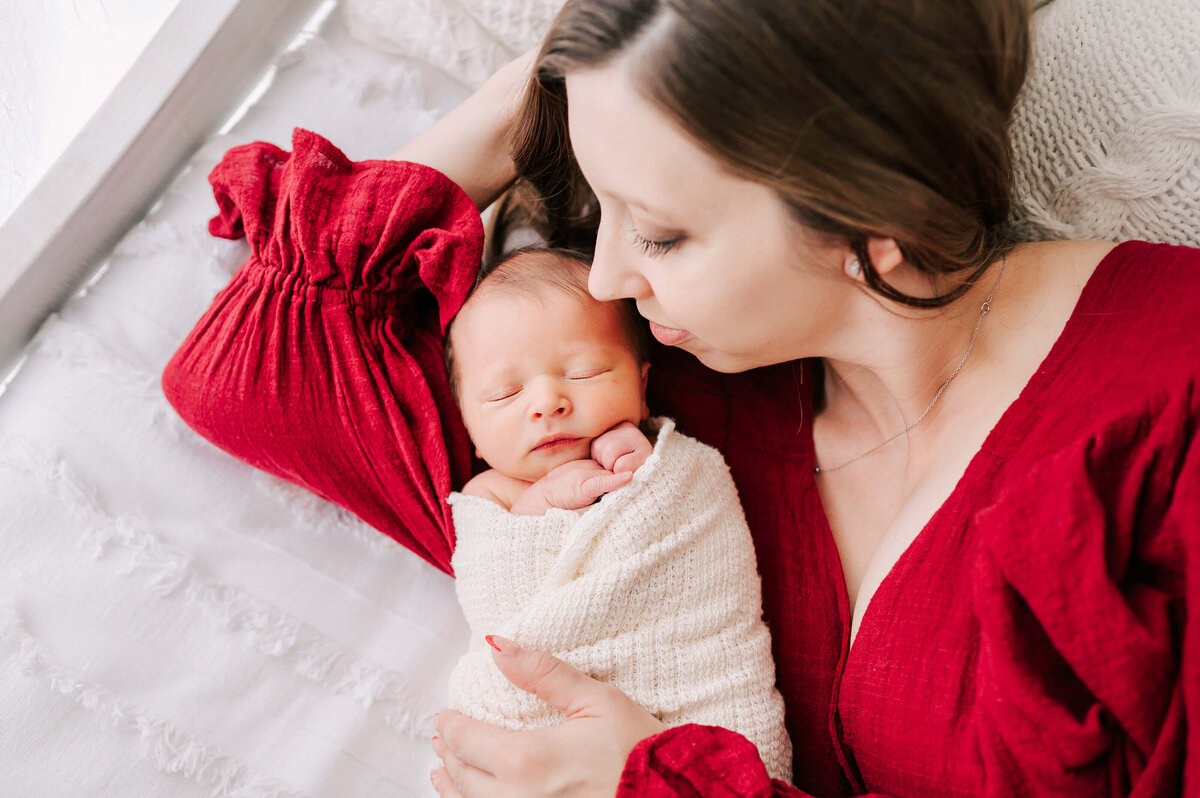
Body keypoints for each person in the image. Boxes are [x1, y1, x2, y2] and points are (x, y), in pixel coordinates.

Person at [161, 0, 1200, 795]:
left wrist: (653, 780)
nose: (606, 276)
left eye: (658, 232)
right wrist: (611, 51)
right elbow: (255, 378)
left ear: (873, 203)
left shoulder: (1166, 408)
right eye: (600, 206)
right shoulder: (645, 412)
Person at [441, 247, 792, 781]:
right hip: (532, 728)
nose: (547, 402)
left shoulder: (668, 466)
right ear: (468, 426)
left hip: (692, 700)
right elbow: (500, 577)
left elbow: (678, 530)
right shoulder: (490, 494)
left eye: (584, 373)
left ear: (642, 385)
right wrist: (551, 497)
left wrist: (639, 468)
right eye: (506, 393)